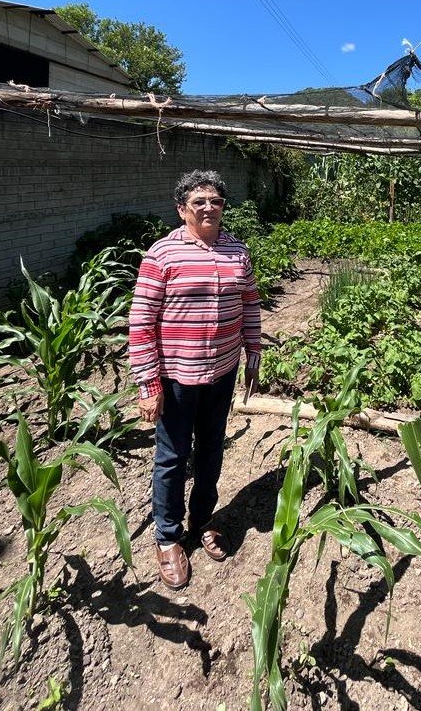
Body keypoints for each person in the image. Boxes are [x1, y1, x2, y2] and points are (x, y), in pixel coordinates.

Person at [128, 169, 262, 590]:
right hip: (177, 378)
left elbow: (251, 303)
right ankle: (167, 538)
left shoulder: (237, 252)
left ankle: (202, 519)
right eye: (199, 201)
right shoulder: (162, 255)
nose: (209, 207)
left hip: (221, 373)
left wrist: (253, 352)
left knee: (210, 450)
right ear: (182, 209)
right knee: (171, 458)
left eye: (216, 201)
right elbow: (141, 322)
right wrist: (149, 385)